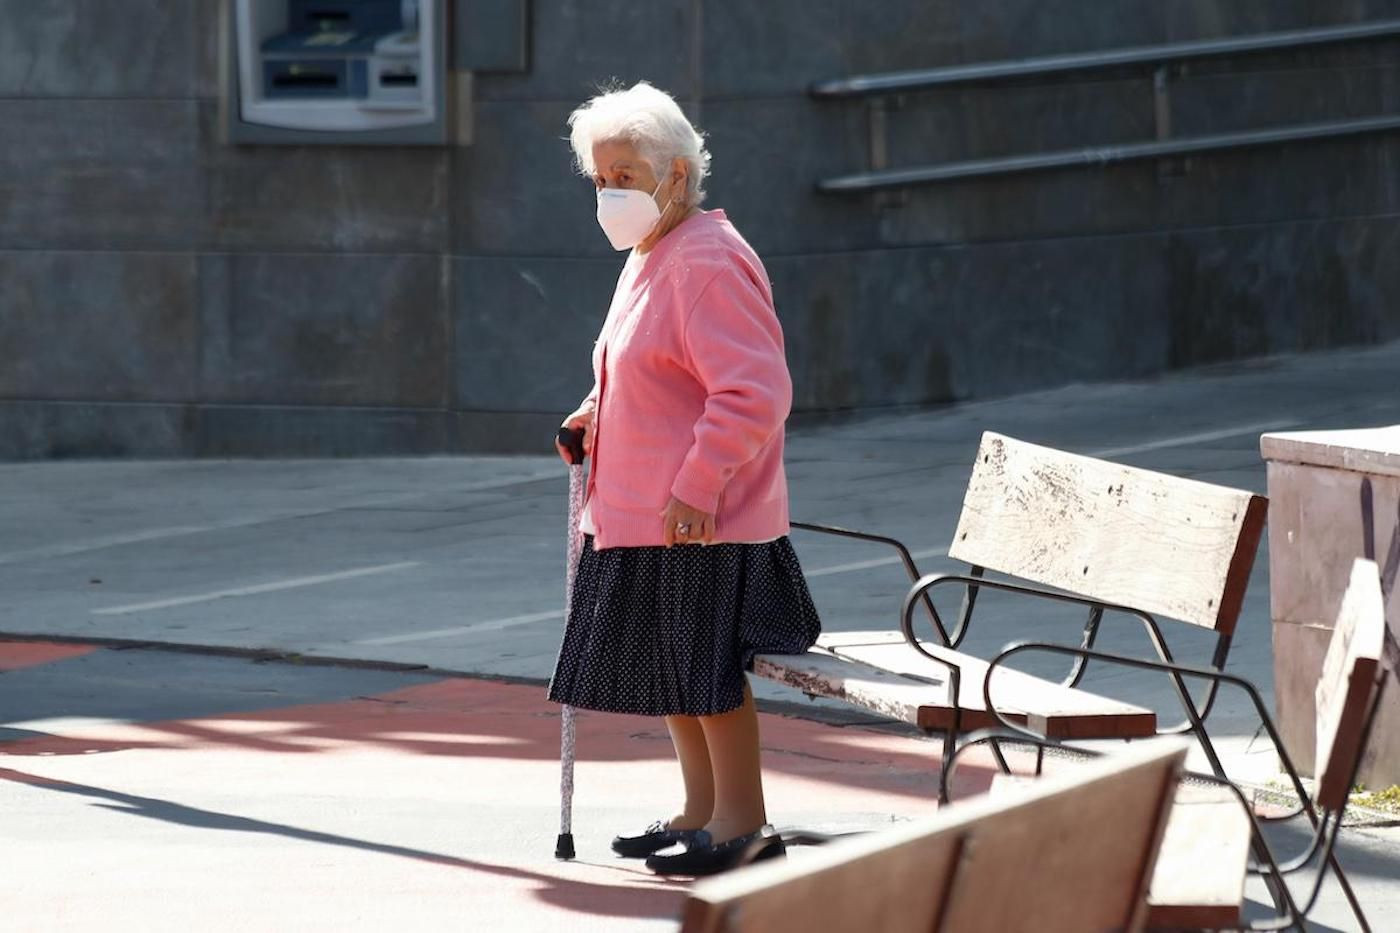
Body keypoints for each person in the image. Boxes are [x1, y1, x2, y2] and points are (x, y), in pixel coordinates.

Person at [547, 81, 821, 877]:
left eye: (625, 175)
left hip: (703, 521)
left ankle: (742, 821)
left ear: (675, 173)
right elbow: (647, 370)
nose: (610, 194)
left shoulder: (708, 258)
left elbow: (756, 392)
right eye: (600, 179)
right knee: (675, 672)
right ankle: (700, 811)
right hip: (644, 516)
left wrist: (699, 484)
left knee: (706, 677)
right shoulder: (652, 256)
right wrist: (594, 413)